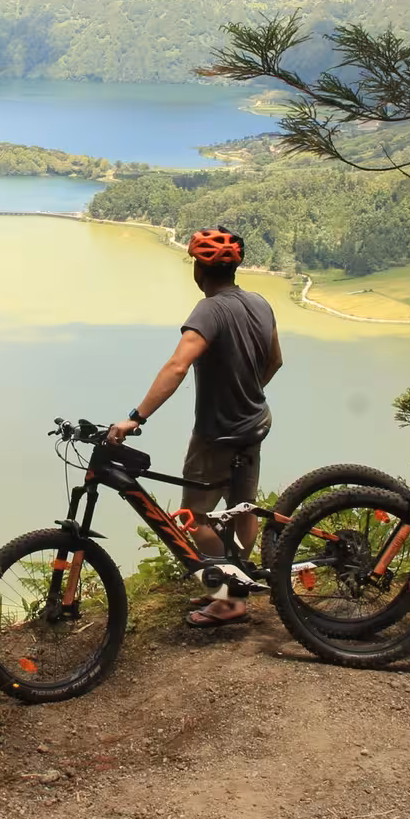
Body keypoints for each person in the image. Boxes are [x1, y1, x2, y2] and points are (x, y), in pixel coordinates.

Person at [107, 226, 281, 627]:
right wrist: (247, 392)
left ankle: (229, 596)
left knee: (192, 515)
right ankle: (237, 579)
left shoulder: (209, 310)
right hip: (255, 423)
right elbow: (274, 361)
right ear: (236, 267)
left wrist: (136, 417)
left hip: (217, 433)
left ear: (199, 270)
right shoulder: (259, 303)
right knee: (243, 507)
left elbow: (177, 365)